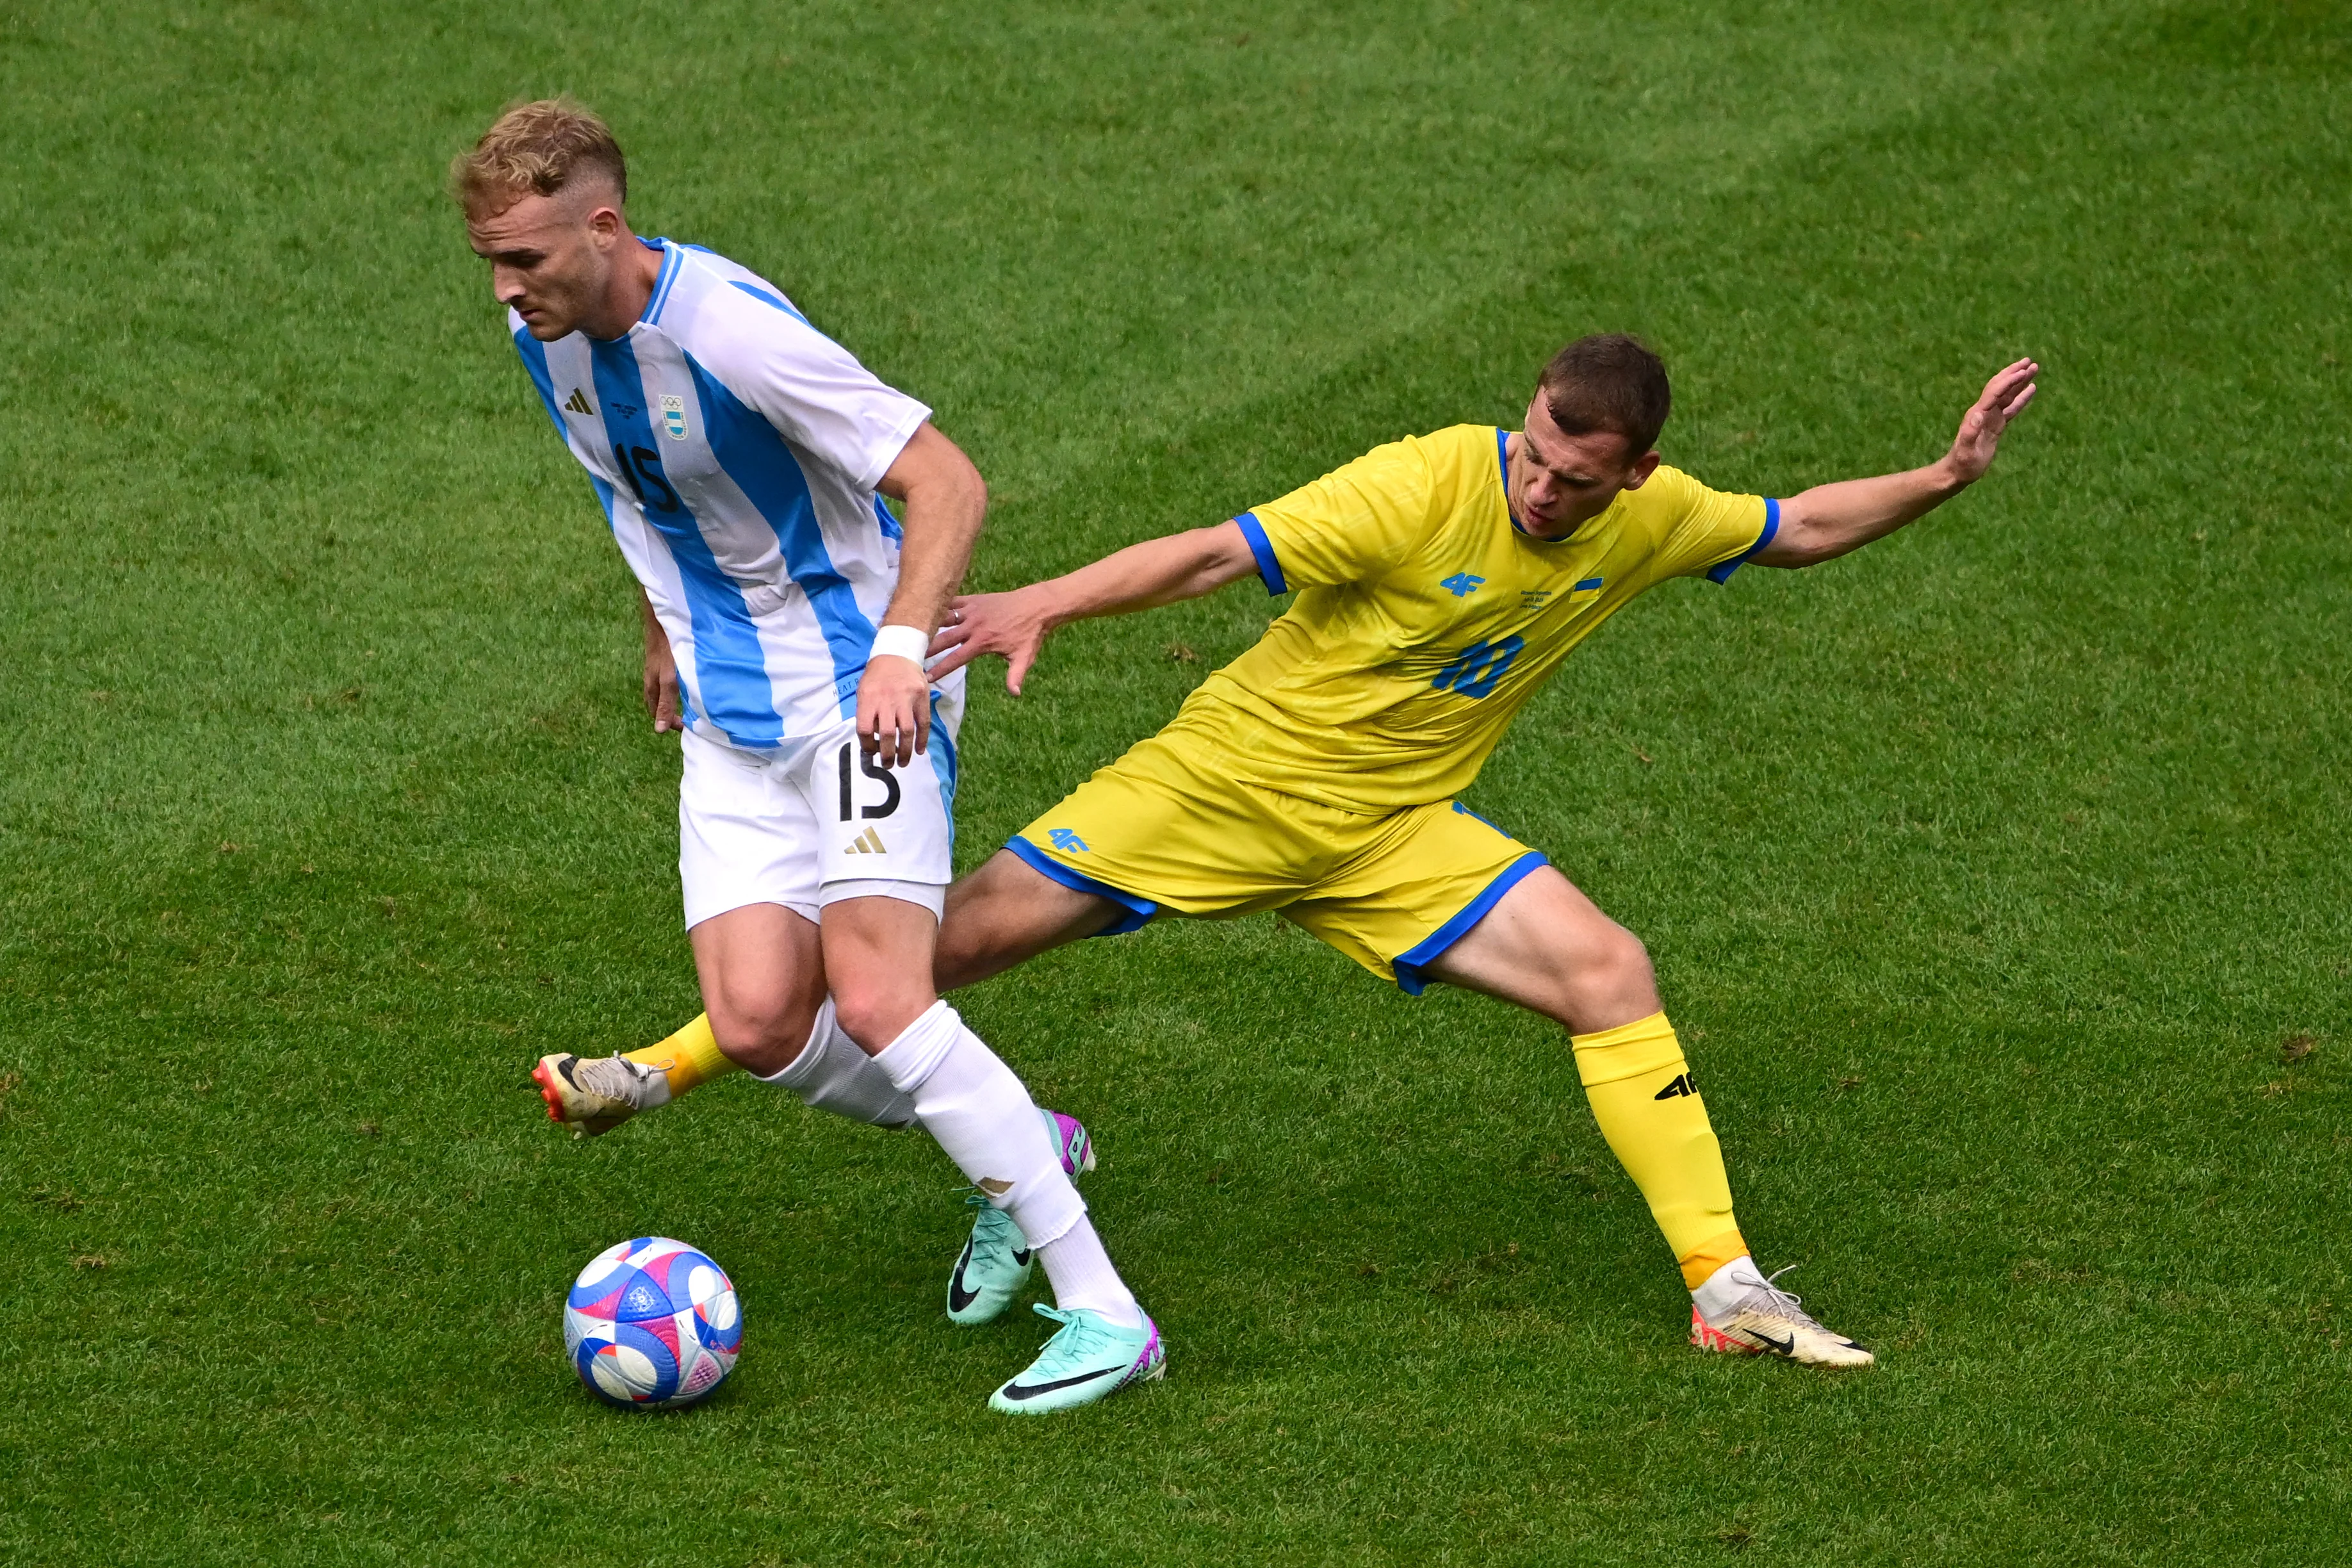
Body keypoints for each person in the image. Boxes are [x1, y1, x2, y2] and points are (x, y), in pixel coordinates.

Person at [580, 332, 2037, 1369]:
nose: (1540, 488)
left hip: (1392, 837)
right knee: (911, 959)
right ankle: (682, 1063)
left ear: (1632, 474)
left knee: (1610, 970)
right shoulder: (1420, 484)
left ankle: (1727, 1288)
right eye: (1531, 454)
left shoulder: (1650, 522)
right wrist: (1043, 608)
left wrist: (1943, 477)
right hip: (1217, 787)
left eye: (1573, 477)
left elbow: (1793, 527)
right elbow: (1217, 553)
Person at [453, 97, 1159, 1414]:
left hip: (857, 696)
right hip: (730, 723)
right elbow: (641, 493)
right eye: (491, 260)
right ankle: (1022, 1152)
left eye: (528, 258)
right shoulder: (540, 333)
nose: (505, 288)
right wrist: (665, 626)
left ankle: (1110, 1315)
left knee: (884, 999)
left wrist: (900, 650)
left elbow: (946, 481)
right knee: (763, 1021)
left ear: (604, 226)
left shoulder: (733, 333)